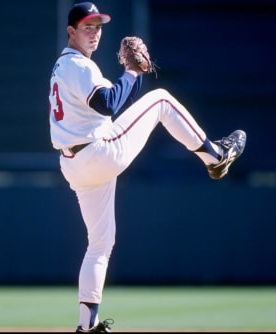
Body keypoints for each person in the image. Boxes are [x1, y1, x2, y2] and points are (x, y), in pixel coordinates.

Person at [48, 2, 247, 332]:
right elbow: (108, 101)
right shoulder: (78, 66)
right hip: (97, 152)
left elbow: (112, 100)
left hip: (74, 163)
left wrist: (132, 76)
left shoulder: (64, 67)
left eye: (98, 26)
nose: (95, 32)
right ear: (71, 31)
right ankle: (216, 155)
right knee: (163, 100)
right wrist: (132, 73)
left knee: (99, 244)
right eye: (87, 27)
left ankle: (87, 326)